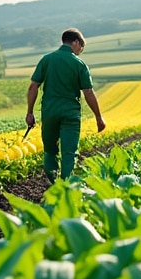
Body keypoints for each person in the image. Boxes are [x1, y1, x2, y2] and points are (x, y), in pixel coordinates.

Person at [26, 28, 105, 182]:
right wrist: (98, 117)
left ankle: (54, 182)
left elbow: (33, 87)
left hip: (50, 112)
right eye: (82, 46)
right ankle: (66, 185)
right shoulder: (79, 64)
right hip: (70, 113)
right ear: (75, 42)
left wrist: (30, 112)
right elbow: (88, 92)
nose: (81, 51)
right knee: (69, 152)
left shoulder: (47, 59)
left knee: (50, 150)